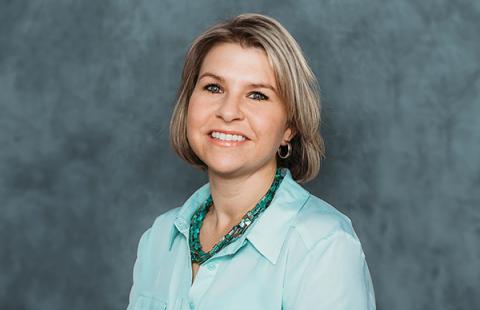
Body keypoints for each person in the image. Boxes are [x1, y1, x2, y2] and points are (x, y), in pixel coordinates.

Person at [127, 13, 376, 310]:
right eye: (213, 88)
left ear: (289, 127)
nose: (229, 111)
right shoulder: (158, 238)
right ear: (188, 102)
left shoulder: (323, 246)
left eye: (257, 95)